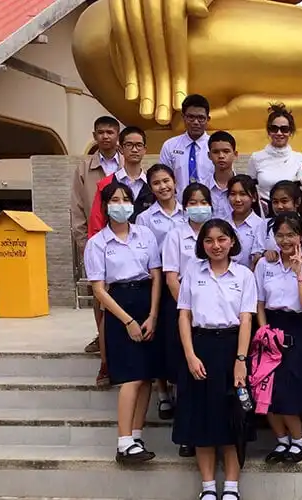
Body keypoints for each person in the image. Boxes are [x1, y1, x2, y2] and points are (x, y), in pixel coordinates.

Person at [174, 218, 256, 500]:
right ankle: (208, 487)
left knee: (232, 418)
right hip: (199, 346)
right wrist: (189, 355)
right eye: (209, 240)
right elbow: (184, 315)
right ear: (202, 244)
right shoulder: (192, 271)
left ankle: (231, 487)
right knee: (202, 419)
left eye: (222, 239)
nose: (216, 245)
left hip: (232, 347)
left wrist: (241, 359)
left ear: (232, 241)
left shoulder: (245, 275)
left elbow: (246, 319)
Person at [84, 181, 162, 465]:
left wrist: (153, 315)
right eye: (114, 199)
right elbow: (99, 289)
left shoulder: (145, 235)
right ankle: (123, 441)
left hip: (146, 303)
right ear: (105, 206)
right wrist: (128, 320)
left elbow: (156, 276)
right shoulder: (97, 243)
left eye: (125, 198)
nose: (121, 204)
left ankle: (137, 436)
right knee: (131, 377)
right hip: (119, 308)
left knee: (146, 377)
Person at [255, 212, 302, 464]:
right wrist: (264, 332)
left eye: (291, 235)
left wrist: (299, 273)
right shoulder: (265, 264)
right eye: (280, 235)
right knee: (266, 390)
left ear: (301, 237)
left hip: (297, 329)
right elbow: (259, 302)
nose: (285, 241)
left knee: (289, 390)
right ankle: (281, 441)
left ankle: (299, 442)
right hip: (270, 328)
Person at [161, 182, 214, 458]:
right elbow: (171, 277)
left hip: (214, 316)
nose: (198, 206)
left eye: (203, 201)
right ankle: (188, 435)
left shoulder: (216, 232)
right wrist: (189, 309)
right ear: (185, 206)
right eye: (192, 202)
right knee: (186, 376)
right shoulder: (175, 235)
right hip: (184, 312)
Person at [70, 115, 122, 380]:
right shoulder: (84, 169)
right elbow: (77, 210)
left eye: (110, 132)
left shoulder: (129, 165)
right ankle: (103, 347)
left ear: (117, 135)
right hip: (96, 241)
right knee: (99, 297)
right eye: (100, 132)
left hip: (125, 243)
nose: (105, 137)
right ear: (95, 135)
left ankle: (119, 344)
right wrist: (85, 245)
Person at [135, 164, 187, 422]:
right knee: (164, 340)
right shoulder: (145, 218)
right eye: (156, 183)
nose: (163, 187)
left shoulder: (187, 212)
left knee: (181, 339)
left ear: (175, 181)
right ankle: (164, 392)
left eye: (166, 181)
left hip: (186, 285)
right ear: (151, 187)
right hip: (160, 284)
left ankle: (181, 391)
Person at [88, 127, 156, 239]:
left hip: (146, 246)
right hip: (113, 246)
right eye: (129, 145)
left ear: (145, 149)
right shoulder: (106, 183)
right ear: (121, 149)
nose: (134, 150)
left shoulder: (153, 184)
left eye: (139, 145)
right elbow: (97, 221)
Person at [159, 94, 217, 198]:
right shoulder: (170, 146)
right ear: (183, 117)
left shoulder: (216, 147)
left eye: (201, 118)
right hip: (178, 208)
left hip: (210, 207)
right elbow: (162, 179)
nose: (195, 122)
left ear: (208, 119)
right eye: (191, 117)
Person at [248, 104, 302, 201]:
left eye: (284, 129)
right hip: (264, 212)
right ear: (269, 131)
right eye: (274, 128)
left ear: (290, 132)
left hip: (290, 213)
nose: (279, 133)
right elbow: (249, 189)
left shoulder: (299, 158)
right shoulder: (256, 158)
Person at [264, 180, 302, 258]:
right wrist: (265, 253)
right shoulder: (265, 225)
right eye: (275, 202)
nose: (279, 206)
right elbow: (257, 254)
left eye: (284, 201)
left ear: (297, 202)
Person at [226, 175, 267, 269]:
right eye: (233, 194)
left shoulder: (261, 226)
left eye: (243, 194)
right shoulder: (222, 224)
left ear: (254, 197)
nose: (237, 199)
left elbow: (258, 260)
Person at [207, 131, 238, 222]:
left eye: (226, 151)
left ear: (235, 154)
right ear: (209, 155)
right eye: (216, 152)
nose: (221, 156)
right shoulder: (202, 188)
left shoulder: (246, 187)